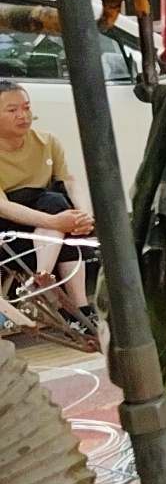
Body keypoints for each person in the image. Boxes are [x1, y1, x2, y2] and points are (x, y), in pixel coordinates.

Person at [0, 81, 96, 341]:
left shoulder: (47, 141)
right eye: (12, 110)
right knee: (56, 207)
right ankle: (62, 297)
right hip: (10, 229)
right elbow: (4, 206)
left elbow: (71, 180)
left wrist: (83, 214)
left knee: (60, 206)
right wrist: (57, 221)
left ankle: (68, 301)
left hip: (46, 231)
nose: (23, 115)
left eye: (26, 108)